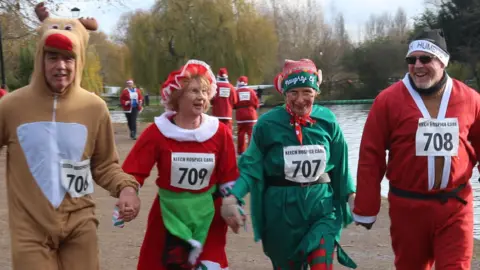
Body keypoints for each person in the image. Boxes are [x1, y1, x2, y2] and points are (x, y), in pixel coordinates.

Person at [0, 2, 141, 269]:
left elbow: (105, 165)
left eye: (69, 57)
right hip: (30, 230)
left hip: (80, 225)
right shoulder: (11, 106)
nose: (61, 66)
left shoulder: (94, 107)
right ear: (40, 58)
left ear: (79, 60)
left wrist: (126, 188)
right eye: (52, 57)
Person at [352, 28, 479, 270]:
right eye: (411, 60)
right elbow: (371, 155)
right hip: (408, 209)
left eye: (425, 59)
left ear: (442, 61)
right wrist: (366, 208)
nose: (417, 65)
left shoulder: (470, 99)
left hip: (456, 205)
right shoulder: (387, 101)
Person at [221, 59, 357, 269]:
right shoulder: (267, 124)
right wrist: (232, 197)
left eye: (307, 92)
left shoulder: (328, 120)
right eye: (293, 92)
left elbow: (341, 164)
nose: (301, 99)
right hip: (280, 212)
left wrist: (352, 196)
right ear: (284, 93)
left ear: (316, 92)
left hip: (321, 206)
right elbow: (250, 167)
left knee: (322, 263)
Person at [122, 59, 239, 270]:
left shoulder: (220, 132)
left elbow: (228, 174)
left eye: (204, 91)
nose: (201, 96)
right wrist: (129, 193)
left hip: (208, 213)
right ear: (177, 96)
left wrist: (231, 203)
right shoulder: (158, 132)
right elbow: (133, 169)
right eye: (194, 91)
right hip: (168, 212)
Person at [234, 75, 259, 155]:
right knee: (251, 134)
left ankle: (241, 152)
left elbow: (234, 104)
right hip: (251, 115)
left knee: (241, 134)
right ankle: (251, 151)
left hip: (240, 116)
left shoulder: (236, 92)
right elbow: (256, 103)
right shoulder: (251, 91)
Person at [210, 67, 237, 132]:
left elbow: (211, 100)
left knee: (216, 134)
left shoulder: (215, 86)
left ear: (218, 76)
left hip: (216, 115)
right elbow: (235, 101)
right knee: (228, 134)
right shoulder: (231, 87)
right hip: (228, 115)